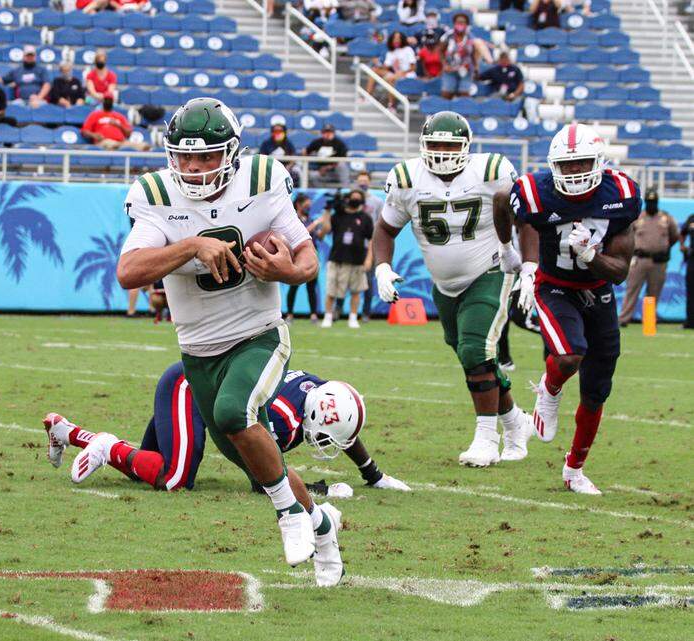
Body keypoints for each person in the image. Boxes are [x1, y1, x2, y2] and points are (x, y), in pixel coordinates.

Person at [116, 97, 343, 581]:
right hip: (199, 350)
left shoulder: (261, 181)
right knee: (254, 458)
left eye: (207, 156)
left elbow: (306, 258)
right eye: (184, 156)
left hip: (258, 333)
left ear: (232, 154)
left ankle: (288, 516)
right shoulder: (156, 195)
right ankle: (322, 523)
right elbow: (128, 272)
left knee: (232, 413)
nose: (194, 168)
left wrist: (287, 271)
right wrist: (192, 245)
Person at [373, 111, 533, 468]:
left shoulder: (490, 171)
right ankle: (514, 422)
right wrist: (382, 267)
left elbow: (526, 218)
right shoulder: (406, 177)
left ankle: (486, 438)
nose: (442, 152)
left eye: (450, 145)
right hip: (444, 285)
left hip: (490, 269)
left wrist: (522, 260)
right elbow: (385, 229)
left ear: (467, 147)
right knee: (472, 357)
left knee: (476, 350)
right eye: (435, 145)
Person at [495, 123, 639, 495]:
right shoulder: (535, 190)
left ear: (599, 162)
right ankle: (550, 388)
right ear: (553, 166)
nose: (574, 172)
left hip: (598, 290)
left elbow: (621, 272)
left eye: (582, 164)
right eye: (566, 165)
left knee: (596, 391)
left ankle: (574, 470)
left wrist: (591, 254)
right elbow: (501, 201)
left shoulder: (620, 193)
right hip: (554, 286)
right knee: (570, 355)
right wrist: (511, 253)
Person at [43, 363, 409, 492]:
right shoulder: (283, 419)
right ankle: (106, 446)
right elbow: (263, 477)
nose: (330, 443)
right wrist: (319, 490)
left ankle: (68, 432)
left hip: (208, 396)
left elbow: (343, 430)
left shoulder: (317, 392)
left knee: (149, 468)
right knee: (174, 479)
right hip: (189, 387)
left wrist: (373, 474)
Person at [617, 188, 679, 325]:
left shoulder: (666, 218)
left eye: (654, 202)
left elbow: (674, 236)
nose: (652, 204)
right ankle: (624, 319)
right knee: (632, 290)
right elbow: (627, 236)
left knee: (654, 292)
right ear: (646, 202)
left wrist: (663, 248)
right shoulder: (638, 217)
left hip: (658, 261)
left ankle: (649, 320)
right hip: (639, 259)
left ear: (657, 202)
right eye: (650, 202)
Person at [318, 189, 372, 329]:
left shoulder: (365, 218)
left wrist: (369, 259)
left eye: (357, 197)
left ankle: (353, 318)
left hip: (357, 260)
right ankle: (328, 317)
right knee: (331, 291)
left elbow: (371, 240)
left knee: (356, 291)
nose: (354, 200)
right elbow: (324, 232)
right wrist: (327, 211)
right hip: (337, 258)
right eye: (352, 197)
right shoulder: (338, 216)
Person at [354, 170, 384, 320]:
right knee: (347, 278)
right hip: (353, 245)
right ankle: (339, 311)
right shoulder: (351, 200)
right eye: (360, 180)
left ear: (369, 182)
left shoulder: (377, 201)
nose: (363, 183)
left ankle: (366, 312)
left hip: (370, 245)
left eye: (365, 180)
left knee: (368, 279)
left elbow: (380, 225)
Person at [286, 194, 320, 322]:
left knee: (312, 287)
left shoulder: (309, 219)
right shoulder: (292, 219)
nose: (308, 207)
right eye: (306, 205)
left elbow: (319, 236)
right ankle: (289, 314)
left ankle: (314, 314)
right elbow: (301, 233)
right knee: (294, 285)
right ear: (299, 204)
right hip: (296, 257)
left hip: (311, 255)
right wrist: (315, 224)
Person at [368, 31, 416, 109]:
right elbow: (385, 68)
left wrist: (402, 73)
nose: (396, 40)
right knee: (375, 70)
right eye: (394, 38)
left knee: (391, 78)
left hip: (408, 75)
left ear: (402, 39)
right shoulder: (390, 52)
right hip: (395, 75)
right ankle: (367, 96)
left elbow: (413, 67)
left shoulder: (408, 49)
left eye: (398, 38)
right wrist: (377, 63)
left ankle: (391, 106)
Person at [80, 97, 150, 150]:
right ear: (102, 102)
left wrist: (119, 125)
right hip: (104, 142)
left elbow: (129, 133)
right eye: (106, 100)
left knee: (144, 146)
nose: (108, 102)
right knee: (112, 145)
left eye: (109, 100)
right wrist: (94, 135)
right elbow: (84, 131)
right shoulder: (95, 115)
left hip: (122, 142)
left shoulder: (119, 116)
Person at [440, 12, 477, 99]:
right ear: (454, 23)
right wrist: (444, 65)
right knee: (447, 93)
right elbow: (441, 51)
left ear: (467, 24)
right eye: (458, 22)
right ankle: (446, 112)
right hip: (450, 69)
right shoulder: (447, 36)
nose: (460, 24)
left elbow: (474, 54)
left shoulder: (471, 37)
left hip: (466, 70)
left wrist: (475, 68)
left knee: (464, 94)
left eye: (463, 22)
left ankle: (463, 112)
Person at [682, 212, 694, 328]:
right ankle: (690, 321)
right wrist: (682, 246)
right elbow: (682, 232)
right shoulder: (691, 218)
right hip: (692, 259)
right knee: (690, 291)